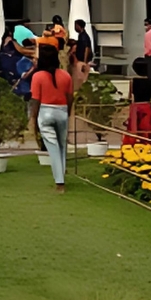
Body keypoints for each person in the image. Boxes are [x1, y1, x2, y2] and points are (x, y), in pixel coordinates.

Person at [28, 43, 73, 192]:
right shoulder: (66, 75)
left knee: (52, 148)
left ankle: (60, 182)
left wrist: (34, 118)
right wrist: (68, 112)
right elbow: (70, 97)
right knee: (62, 146)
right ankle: (62, 173)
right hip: (62, 110)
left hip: (45, 111)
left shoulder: (37, 76)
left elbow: (36, 100)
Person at [123, 76, 151, 145]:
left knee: (135, 127)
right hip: (146, 106)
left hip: (137, 106)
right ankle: (147, 143)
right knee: (147, 126)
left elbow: (130, 96)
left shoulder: (134, 79)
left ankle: (133, 142)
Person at [69, 19, 94, 93]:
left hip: (82, 60)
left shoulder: (84, 36)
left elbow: (87, 49)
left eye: (76, 25)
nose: (75, 27)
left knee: (81, 78)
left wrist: (84, 61)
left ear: (79, 26)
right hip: (80, 59)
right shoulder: (81, 35)